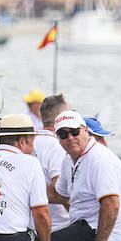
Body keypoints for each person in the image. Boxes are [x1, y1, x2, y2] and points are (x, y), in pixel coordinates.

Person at [49, 110, 121, 241]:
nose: (70, 138)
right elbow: (58, 194)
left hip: (105, 237)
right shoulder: (69, 159)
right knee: (42, 240)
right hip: (85, 228)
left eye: (74, 131)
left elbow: (111, 205)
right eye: (64, 134)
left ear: (85, 131)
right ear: (58, 138)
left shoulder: (99, 159)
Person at [33, 94, 73, 233]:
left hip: (33, 225)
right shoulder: (57, 146)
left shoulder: (29, 142)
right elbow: (61, 191)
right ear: (62, 118)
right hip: (58, 227)